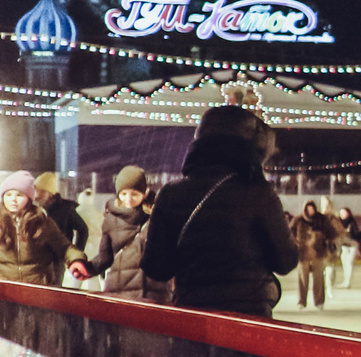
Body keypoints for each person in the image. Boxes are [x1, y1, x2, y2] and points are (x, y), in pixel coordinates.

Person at [138, 104, 297, 317]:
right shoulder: (259, 193)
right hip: (249, 317)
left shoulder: (171, 194)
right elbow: (285, 262)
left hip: (193, 315)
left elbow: (157, 268)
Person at [94, 166, 163, 300]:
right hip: (119, 292)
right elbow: (104, 257)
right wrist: (85, 267)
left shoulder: (158, 216)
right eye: (124, 193)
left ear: (145, 193)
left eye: (134, 194)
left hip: (153, 293)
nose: (129, 198)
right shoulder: (111, 219)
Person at [0, 171, 72, 287]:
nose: (13, 199)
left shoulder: (42, 222)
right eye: (8, 195)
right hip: (5, 289)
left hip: (36, 288)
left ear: (29, 198)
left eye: (19, 195)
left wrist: (76, 260)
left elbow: (64, 246)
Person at [33, 172, 85, 282]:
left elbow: (83, 229)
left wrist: (76, 252)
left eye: (42, 191)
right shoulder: (35, 208)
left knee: (54, 290)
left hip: (57, 258)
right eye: (36, 190)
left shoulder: (66, 210)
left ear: (51, 193)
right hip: (39, 257)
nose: (37, 195)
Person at [293, 200, 339, 310]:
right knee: (302, 279)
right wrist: (295, 244)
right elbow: (290, 233)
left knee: (318, 279)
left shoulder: (322, 220)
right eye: (308, 209)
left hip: (318, 254)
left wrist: (328, 243)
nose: (310, 211)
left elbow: (332, 233)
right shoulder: (298, 221)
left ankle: (319, 302)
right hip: (303, 255)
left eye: (312, 209)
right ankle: (301, 302)